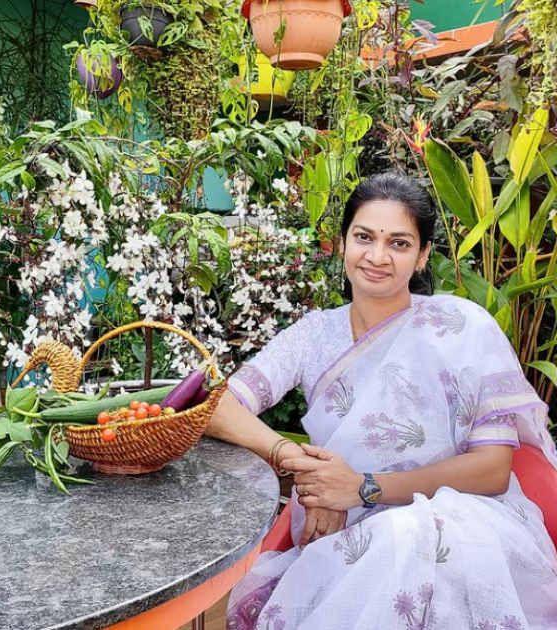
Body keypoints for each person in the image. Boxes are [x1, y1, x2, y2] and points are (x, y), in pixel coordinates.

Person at [206, 173, 557, 628]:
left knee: (406, 535)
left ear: (424, 255)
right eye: (364, 237)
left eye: (399, 243)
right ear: (343, 243)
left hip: (467, 521)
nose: (377, 256)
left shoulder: (462, 326)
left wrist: (362, 487)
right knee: (394, 542)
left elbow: (492, 470)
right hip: (343, 525)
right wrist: (299, 463)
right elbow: (217, 405)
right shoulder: (314, 336)